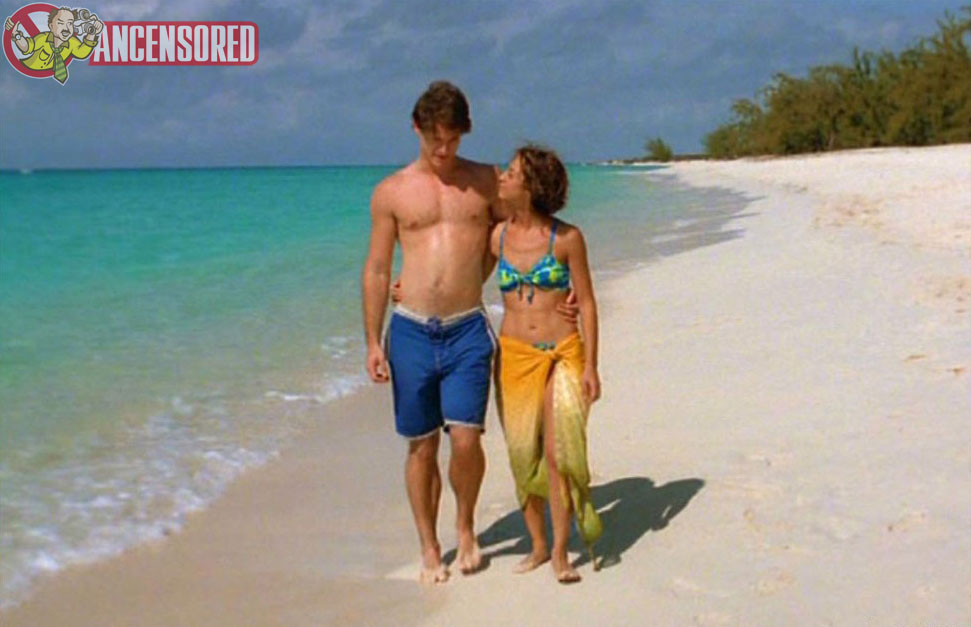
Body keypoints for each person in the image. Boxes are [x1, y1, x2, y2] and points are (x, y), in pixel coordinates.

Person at [361, 81, 500, 584]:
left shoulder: (487, 181)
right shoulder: (392, 192)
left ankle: (465, 527)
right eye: (434, 139)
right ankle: (429, 545)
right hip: (412, 331)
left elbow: (519, 234)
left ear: (466, 132)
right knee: (420, 446)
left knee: (465, 438)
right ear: (416, 129)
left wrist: (554, 290)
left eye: (453, 140)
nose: (444, 150)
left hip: (467, 329)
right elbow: (378, 268)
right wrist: (373, 341)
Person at [489, 145, 603, 584]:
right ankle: (537, 545)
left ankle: (559, 552)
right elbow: (462, 278)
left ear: (531, 185)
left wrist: (592, 366)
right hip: (514, 354)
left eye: (511, 172)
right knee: (523, 453)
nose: (502, 176)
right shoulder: (496, 237)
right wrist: (408, 290)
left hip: (563, 352)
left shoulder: (567, 238)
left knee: (559, 452)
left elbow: (587, 302)